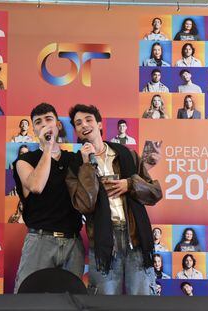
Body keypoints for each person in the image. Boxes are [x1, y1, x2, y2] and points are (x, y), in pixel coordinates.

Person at [67, 104, 162, 295]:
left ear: (100, 124)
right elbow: (85, 205)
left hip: (135, 238)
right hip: (104, 244)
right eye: (78, 123)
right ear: (76, 131)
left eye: (88, 120)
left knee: (143, 301)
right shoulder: (75, 165)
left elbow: (154, 193)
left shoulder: (126, 154)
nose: (84, 125)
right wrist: (86, 165)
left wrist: (130, 184)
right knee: (105, 303)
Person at [12, 103, 85, 293]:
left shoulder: (74, 159)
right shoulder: (24, 161)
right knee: (28, 301)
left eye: (48, 120)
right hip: (40, 241)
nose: (44, 125)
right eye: (38, 122)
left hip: (73, 243)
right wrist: (47, 149)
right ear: (34, 130)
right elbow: (36, 186)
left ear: (58, 125)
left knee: (72, 302)